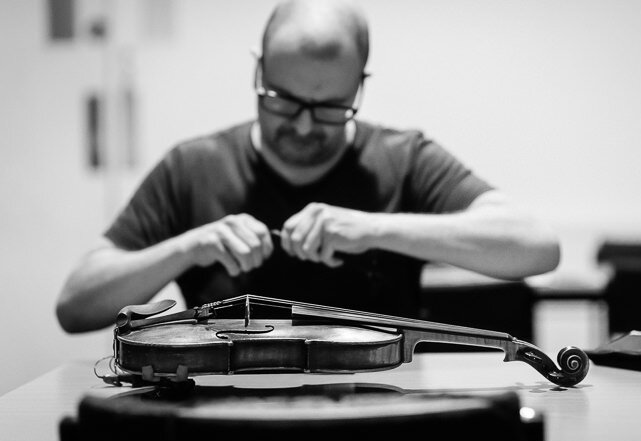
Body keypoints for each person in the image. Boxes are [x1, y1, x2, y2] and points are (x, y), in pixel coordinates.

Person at [56, 0, 560, 333]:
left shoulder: (402, 158)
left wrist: (375, 228)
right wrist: (189, 246)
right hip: (222, 428)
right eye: (282, 100)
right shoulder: (194, 166)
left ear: (359, 85)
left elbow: (537, 247)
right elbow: (75, 306)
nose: (301, 126)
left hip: (381, 425)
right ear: (259, 70)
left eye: (329, 108)